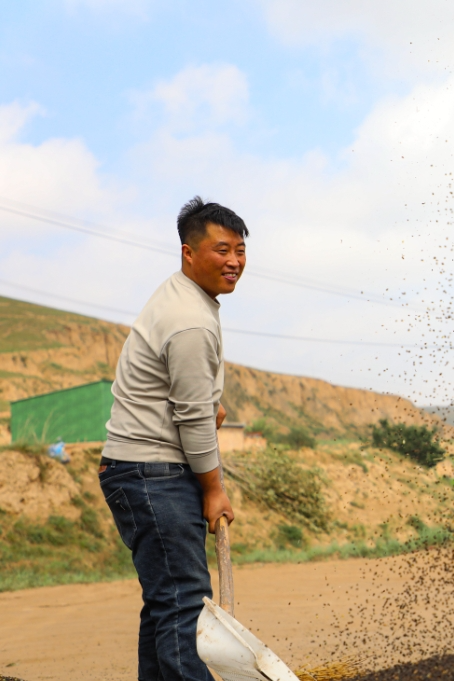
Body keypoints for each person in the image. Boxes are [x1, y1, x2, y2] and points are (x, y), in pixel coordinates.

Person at [99, 197, 247, 681]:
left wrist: (207, 402)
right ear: (189, 252)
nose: (234, 261)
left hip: (139, 470)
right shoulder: (190, 320)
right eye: (221, 249)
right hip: (153, 475)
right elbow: (193, 420)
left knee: (167, 602)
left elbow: (185, 397)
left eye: (240, 250)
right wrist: (214, 489)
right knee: (184, 604)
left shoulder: (183, 298)